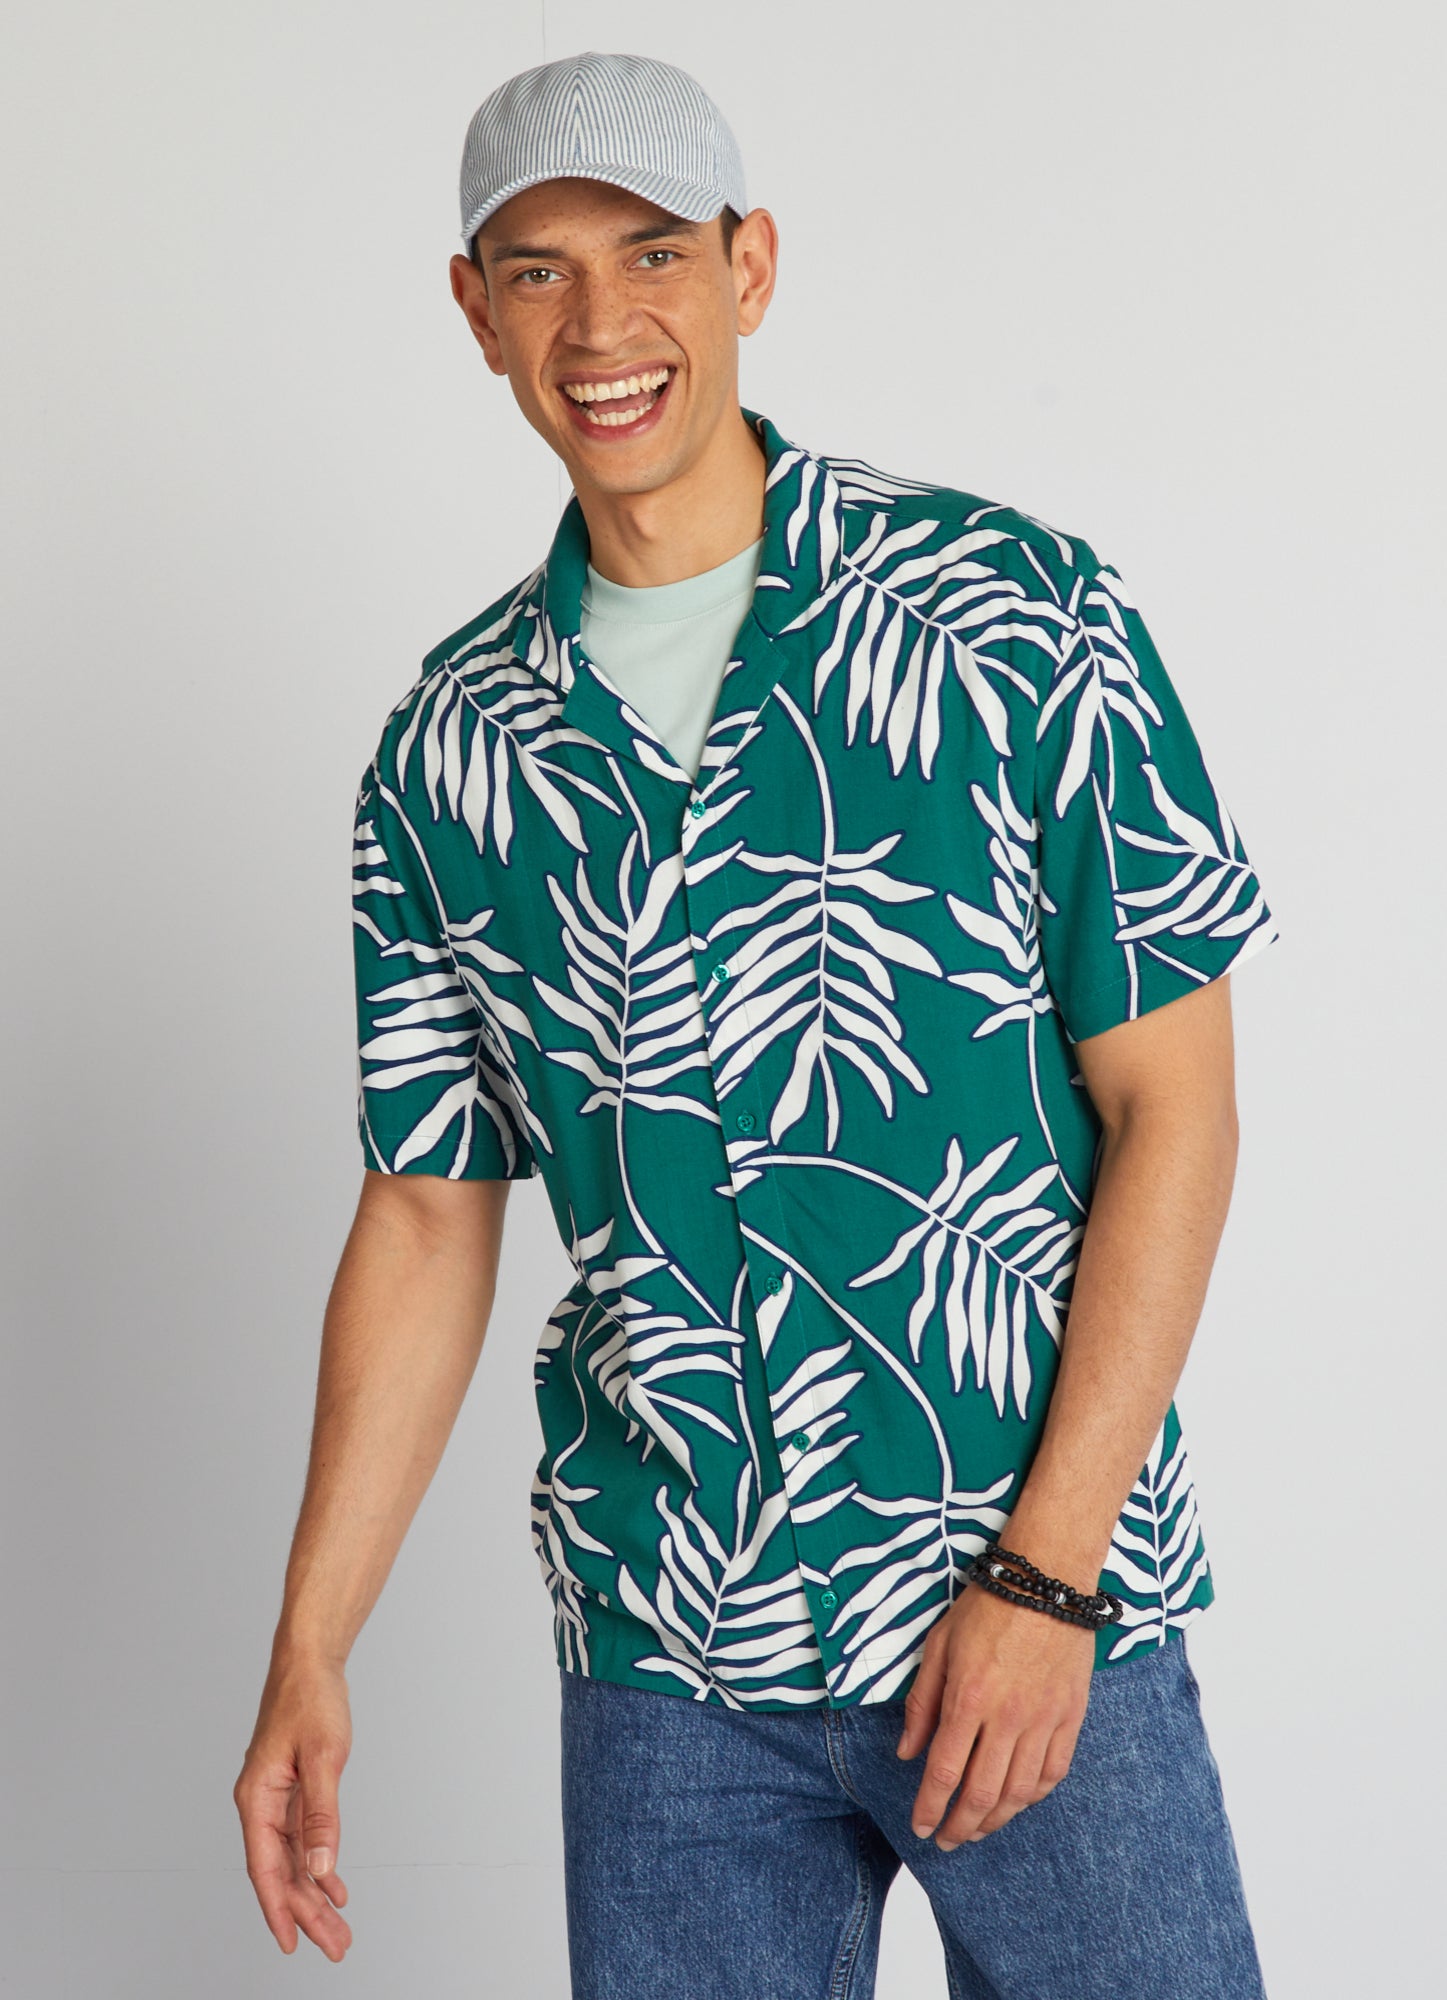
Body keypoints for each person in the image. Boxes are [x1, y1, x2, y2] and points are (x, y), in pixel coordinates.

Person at [234, 49, 1279, 1999]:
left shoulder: (1012, 616)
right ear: (473, 312)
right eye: (537, 271)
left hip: (1030, 1608)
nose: (600, 325)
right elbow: (427, 1211)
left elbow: (1176, 1113)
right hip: (669, 1653)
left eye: (651, 253)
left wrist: (1047, 1575)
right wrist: (310, 1642)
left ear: (751, 266)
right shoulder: (448, 752)